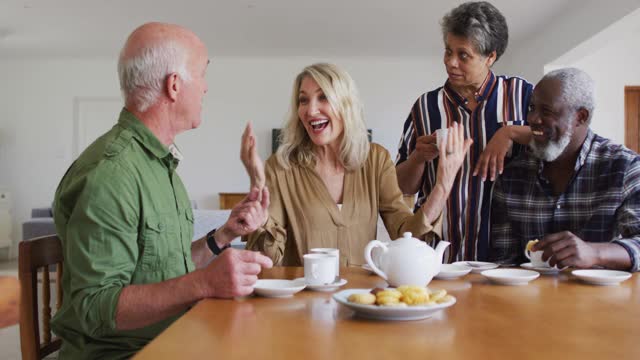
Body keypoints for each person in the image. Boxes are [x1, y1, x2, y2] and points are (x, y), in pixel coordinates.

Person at [51, 23, 273, 359]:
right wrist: (205, 283)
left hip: (173, 338)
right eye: (201, 75)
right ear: (174, 85)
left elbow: (164, 272)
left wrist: (224, 235)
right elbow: (94, 307)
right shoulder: (111, 175)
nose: (205, 88)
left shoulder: (157, 165)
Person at [243, 63, 472, 266]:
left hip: (361, 301)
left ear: (346, 105)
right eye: (303, 100)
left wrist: (443, 186)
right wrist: (257, 186)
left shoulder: (375, 160)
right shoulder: (280, 167)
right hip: (303, 304)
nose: (311, 110)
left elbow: (406, 234)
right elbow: (266, 258)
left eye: (323, 97)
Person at [395, 1, 534, 262]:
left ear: (490, 56)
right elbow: (400, 186)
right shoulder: (425, 107)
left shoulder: (522, 95)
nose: (451, 62)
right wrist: (418, 158)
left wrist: (510, 133)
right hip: (438, 257)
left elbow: (557, 140)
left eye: (463, 55)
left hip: (507, 258)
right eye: (448, 51)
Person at [490, 68, 640, 272]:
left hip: (602, 302)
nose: (533, 118)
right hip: (530, 301)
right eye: (532, 108)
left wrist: (594, 253)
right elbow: (503, 262)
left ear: (580, 117)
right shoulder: (512, 177)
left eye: (547, 111)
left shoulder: (624, 168)